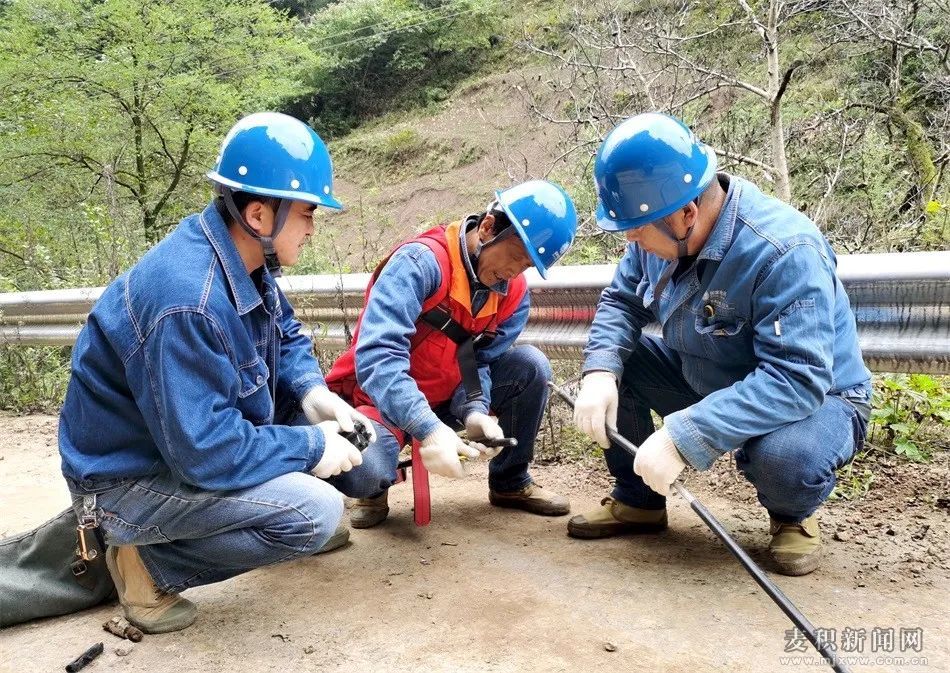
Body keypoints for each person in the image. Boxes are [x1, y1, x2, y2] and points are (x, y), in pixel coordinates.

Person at [58, 112, 372, 634]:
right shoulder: (189, 301)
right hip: (131, 478)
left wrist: (314, 392)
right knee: (313, 510)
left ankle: (273, 514)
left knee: (370, 451)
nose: (314, 227)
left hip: (186, 443)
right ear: (257, 213)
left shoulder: (242, 258)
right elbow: (205, 454)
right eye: (308, 212)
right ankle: (147, 567)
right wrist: (311, 447)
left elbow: (286, 333)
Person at [569, 113, 872, 576]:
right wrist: (600, 371)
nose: (630, 238)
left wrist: (682, 435)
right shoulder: (658, 229)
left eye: (637, 227)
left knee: (788, 459)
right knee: (619, 363)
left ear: (687, 214)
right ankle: (639, 503)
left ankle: (792, 516)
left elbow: (796, 380)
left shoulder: (784, 251)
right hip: (708, 372)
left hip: (819, 396)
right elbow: (622, 301)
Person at [324, 180, 578, 527]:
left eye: (527, 266)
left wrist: (475, 412)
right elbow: (378, 358)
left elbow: (481, 360)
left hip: (449, 395)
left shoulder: (513, 294)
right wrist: (428, 428)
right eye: (516, 257)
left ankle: (510, 482)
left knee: (530, 366)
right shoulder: (419, 263)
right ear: (488, 228)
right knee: (363, 472)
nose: (514, 273)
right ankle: (375, 487)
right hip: (383, 400)